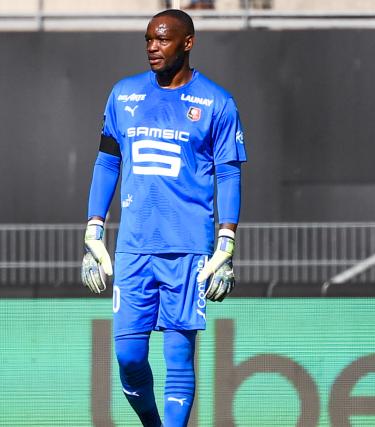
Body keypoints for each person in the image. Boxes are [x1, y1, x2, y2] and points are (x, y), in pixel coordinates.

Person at [81, 9, 246, 427]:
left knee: (178, 358)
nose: (152, 47)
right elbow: (106, 162)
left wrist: (226, 243)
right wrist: (93, 228)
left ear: (187, 43)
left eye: (162, 39)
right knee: (128, 356)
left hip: (188, 249)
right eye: (148, 39)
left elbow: (228, 173)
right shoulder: (123, 95)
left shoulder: (217, 102)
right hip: (134, 247)